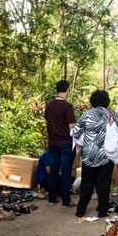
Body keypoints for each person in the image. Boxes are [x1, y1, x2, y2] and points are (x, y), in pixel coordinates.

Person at [71, 90, 118, 218]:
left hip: (89, 154)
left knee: (87, 182)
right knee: (104, 183)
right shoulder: (112, 114)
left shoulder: (86, 114)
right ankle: (102, 211)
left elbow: (76, 132)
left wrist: (80, 144)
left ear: (93, 100)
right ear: (106, 101)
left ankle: (80, 210)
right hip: (106, 154)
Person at [44, 79, 77, 207]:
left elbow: (48, 120)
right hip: (66, 144)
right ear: (67, 90)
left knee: (53, 171)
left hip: (52, 143)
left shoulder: (49, 105)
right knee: (66, 173)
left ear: (56, 90)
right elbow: (72, 126)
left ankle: (52, 198)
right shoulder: (67, 107)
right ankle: (65, 201)